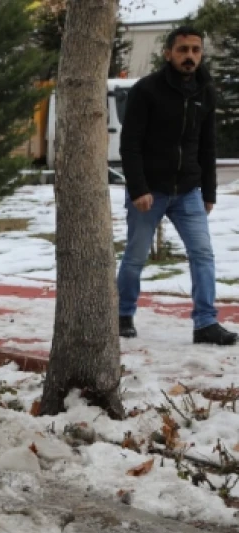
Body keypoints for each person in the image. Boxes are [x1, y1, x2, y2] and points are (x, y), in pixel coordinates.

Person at [118, 26, 235, 346]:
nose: (190, 56)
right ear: (169, 53)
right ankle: (123, 314)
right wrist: (138, 188)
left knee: (203, 253)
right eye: (183, 50)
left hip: (188, 192)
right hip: (149, 191)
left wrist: (208, 192)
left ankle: (206, 323)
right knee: (135, 256)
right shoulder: (147, 90)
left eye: (196, 50)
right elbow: (129, 144)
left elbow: (207, 146)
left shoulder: (205, 91)